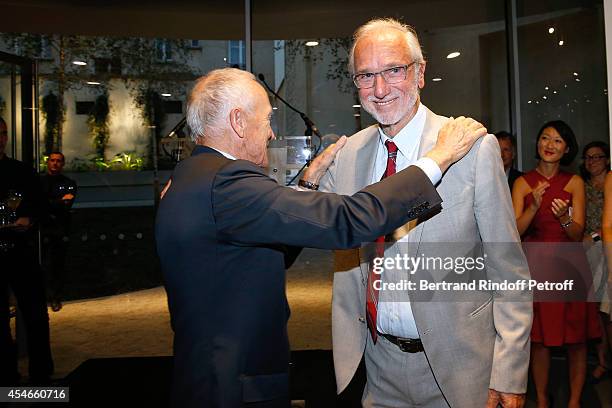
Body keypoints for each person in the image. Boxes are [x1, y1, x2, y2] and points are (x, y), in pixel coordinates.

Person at [155, 68, 487, 407]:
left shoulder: (190, 178)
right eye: (266, 120)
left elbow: (261, 253)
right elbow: (346, 220)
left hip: (205, 375)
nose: (270, 134)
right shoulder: (228, 183)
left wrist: (309, 181)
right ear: (238, 121)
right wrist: (435, 160)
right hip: (230, 387)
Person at [300, 18, 532, 408]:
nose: (379, 89)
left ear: (420, 73)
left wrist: (508, 372)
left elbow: (507, 269)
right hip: (378, 367)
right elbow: (302, 225)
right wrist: (308, 180)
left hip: (460, 371)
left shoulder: (472, 147)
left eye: (393, 70)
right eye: (366, 75)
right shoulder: (348, 154)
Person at [512, 121, 601, 408]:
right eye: (545, 138)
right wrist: (534, 206)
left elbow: (577, 233)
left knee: (576, 338)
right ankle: (541, 400)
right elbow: (515, 231)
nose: (550, 145)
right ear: (537, 143)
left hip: (568, 265)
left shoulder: (574, 182)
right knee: (538, 338)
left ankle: (574, 401)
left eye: (558, 141)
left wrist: (564, 218)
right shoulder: (522, 182)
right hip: (535, 265)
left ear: (566, 149)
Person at [0, 117, 54, 385]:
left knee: (35, 314)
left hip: (21, 251)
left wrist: (29, 220)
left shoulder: (21, 171)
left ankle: (41, 376)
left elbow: (41, 207)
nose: (1, 138)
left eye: (3, 133)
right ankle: (7, 376)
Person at [579, 141, 610, 383]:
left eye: (597, 157)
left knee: (607, 309)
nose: (592, 162)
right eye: (588, 157)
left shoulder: (609, 184)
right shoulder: (583, 187)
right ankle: (602, 360)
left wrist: (596, 236)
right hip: (588, 253)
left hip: (605, 249)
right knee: (596, 309)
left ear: (607, 160)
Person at [40, 151, 77, 312]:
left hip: (59, 229)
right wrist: (58, 202)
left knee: (57, 265)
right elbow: (39, 204)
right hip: (42, 228)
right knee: (42, 264)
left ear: (62, 164)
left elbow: (66, 204)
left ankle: (55, 297)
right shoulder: (39, 182)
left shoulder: (69, 183)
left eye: (58, 161)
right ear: (48, 162)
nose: (55, 163)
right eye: (52, 160)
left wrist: (49, 204)